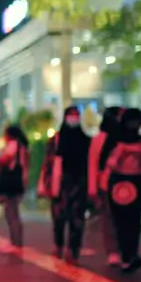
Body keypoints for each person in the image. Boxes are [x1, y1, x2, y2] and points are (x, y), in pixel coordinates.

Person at [39, 106, 91, 263]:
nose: (74, 118)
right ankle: (59, 245)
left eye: (76, 115)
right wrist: (45, 183)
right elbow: (48, 162)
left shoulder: (85, 139)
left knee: (77, 218)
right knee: (58, 217)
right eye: (71, 115)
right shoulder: (56, 139)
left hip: (80, 183)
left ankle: (73, 250)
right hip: (59, 183)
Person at [104, 108, 141, 272]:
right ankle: (125, 254)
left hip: (138, 183)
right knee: (120, 220)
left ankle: (132, 253)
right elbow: (110, 163)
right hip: (120, 183)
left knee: (135, 221)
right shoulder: (116, 140)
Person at [88, 106, 125, 266]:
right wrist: (92, 188)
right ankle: (112, 251)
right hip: (106, 183)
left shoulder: (129, 137)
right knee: (108, 217)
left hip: (127, 184)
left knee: (125, 219)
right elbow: (93, 163)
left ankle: (126, 250)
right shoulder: (99, 138)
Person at [0, 124, 31, 253]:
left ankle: (16, 242)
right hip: (16, 181)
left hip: (12, 182)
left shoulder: (14, 144)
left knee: (11, 212)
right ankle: (16, 241)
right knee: (12, 211)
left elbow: (5, 160)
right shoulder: (21, 146)